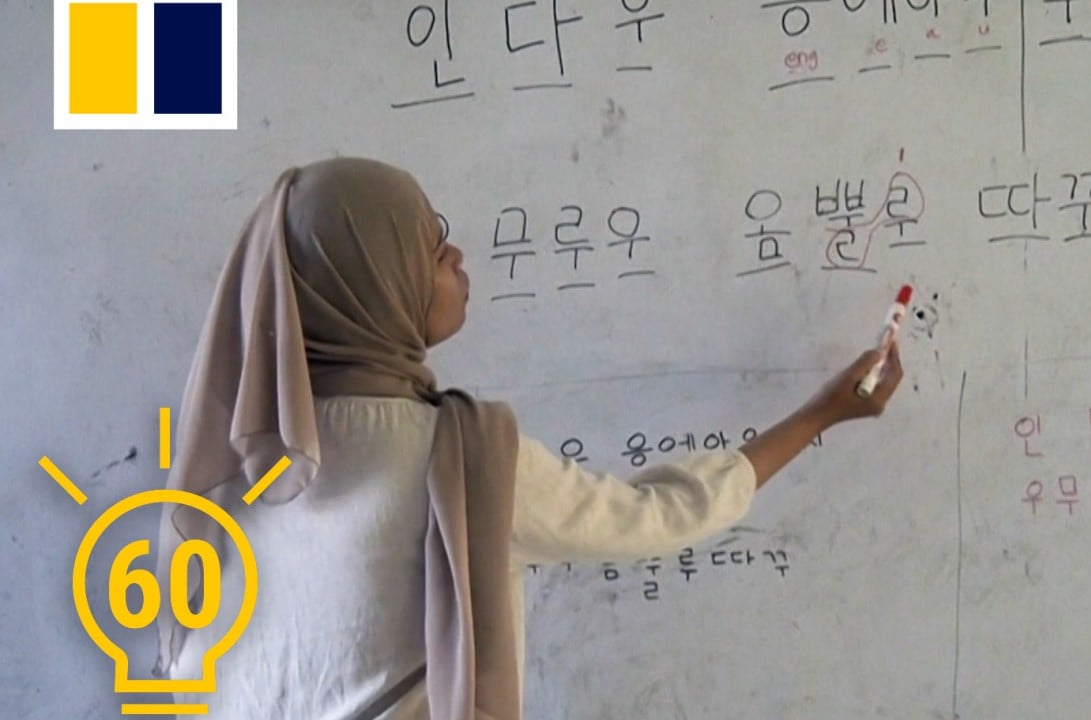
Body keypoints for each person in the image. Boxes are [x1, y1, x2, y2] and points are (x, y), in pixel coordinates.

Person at [153, 156, 904, 719]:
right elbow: (659, 515)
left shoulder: (226, 463)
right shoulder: (461, 462)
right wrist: (819, 415)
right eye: (431, 248)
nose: (457, 259)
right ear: (374, 285)